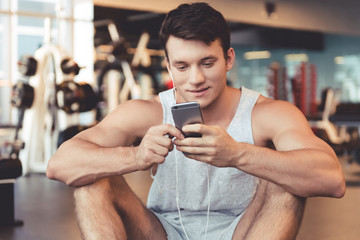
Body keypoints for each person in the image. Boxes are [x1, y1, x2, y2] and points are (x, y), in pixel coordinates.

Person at [46, 2, 345, 239]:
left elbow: (332, 180)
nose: (196, 79)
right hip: (160, 232)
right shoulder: (146, 111)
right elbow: (60, 165)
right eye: (182, 66)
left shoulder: (268, 113)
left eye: (207, 62)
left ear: (228, 58)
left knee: (288, 180)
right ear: (168, 67)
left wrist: (238, 154)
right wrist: (136, 155)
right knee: (92, 179)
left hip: (243, 231)